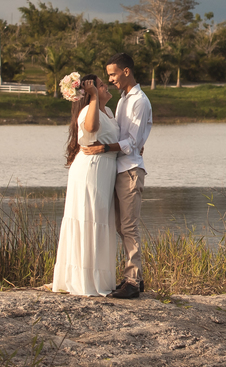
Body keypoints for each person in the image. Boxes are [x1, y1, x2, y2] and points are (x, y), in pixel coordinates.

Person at [82, 52, 152, 299]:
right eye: (108, 75)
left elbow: (132, 143)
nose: (110, 79)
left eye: (112, 74)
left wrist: (103, 148)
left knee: (129, 226)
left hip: (130, 170)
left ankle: (132, 282)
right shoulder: (123, 99)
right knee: (121, 227)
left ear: (125, 71)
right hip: (118, 169)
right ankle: (135, 278)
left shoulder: (139, 101)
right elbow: (122, 136)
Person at [51, 73, 119, 296]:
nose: (106, 86)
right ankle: (83, 281)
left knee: (100, 220)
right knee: (89, 219)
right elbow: (90, 130)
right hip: (90, 170)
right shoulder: (87, 111)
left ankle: (100, 279)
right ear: (90, 92)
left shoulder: (108, 111)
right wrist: (92, 99)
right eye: (100, 85)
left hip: (104, 170)